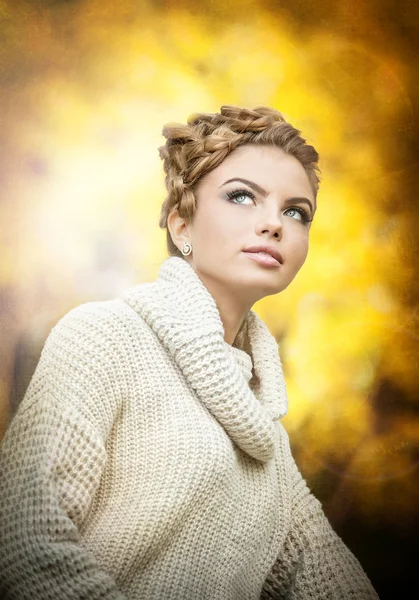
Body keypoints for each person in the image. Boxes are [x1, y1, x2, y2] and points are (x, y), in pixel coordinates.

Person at [0, 105, 380, 599]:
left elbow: (333, 585)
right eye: (243, 196)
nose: (275, 224)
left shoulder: (267, 434)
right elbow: (22, 540)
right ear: (182, 229)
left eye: (295, 211)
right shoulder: (103, 337)